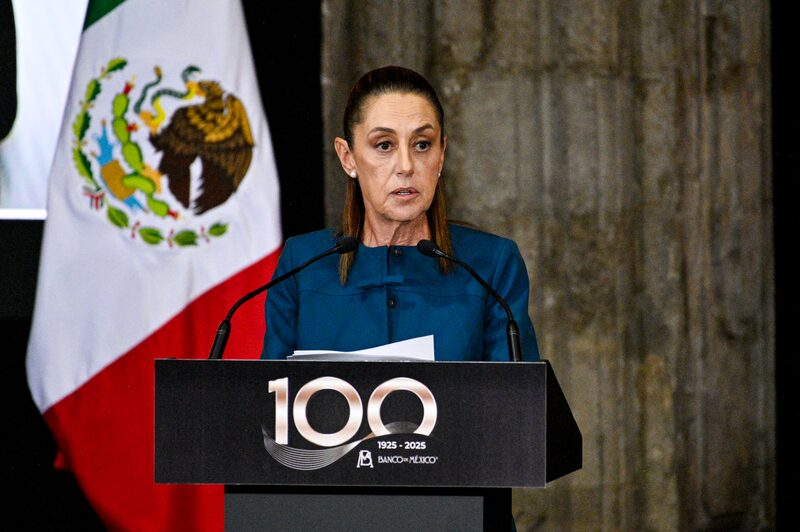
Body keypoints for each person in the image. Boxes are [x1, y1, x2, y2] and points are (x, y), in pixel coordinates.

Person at [262, 65, 540, 362]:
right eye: (384, 145)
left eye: (422, 145)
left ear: (441, 154)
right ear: (348, 157)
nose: (406, 166)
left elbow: (522, 401)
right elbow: (268, 399)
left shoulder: (490, 266)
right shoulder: (302, 265)